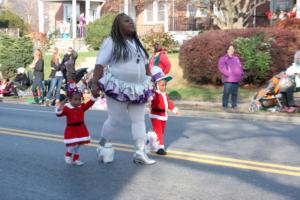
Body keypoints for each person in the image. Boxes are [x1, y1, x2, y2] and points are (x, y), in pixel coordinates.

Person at [91, 13, 156, 165]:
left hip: (139, 88)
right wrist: (95, 83)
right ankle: (103, 144)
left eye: (132, 20)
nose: (131, 23)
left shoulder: (137, 43)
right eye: (127, 21)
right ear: (118, 26)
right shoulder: (112, 42)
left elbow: (146, 64)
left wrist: (151, 80)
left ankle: (140, 152)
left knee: (139, 120)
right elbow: (100, 64)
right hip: (119, 87)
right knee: (115, 120)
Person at [55, 86, 97, 165]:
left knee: (78, 145)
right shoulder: (67, 108)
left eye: (79, 99)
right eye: (75, 99)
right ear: (70, 100)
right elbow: (59, 114)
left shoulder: (81, 107)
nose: (78, 101)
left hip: (80, 128)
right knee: (72, 145)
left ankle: (76, 159)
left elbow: (89, 103)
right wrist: (59, 109)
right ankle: (68, 154)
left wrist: (94, 96)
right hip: (71, 129)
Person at [148, 66, 180, 155]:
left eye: (165, 85)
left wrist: (174, 109)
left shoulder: (164, 94)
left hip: (163, 116)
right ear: (156, 85)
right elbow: (149, 98)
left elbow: (169, 103)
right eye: (162, 85)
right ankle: (160, 148)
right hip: (156, 115)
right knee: (158, 132)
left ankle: (151, 142)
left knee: (160, 132)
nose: (164, 87)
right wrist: (150, 95)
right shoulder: (155, 94)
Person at [218, 45, 244, 112]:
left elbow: (240, 67)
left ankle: (234, 106)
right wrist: (228, 74)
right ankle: (224, 106)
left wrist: (241, 74)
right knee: (226, 93)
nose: (232, 50)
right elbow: (221, 68)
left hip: (236, 79)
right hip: (228, 80)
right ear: (227, 50)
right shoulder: (223, 58)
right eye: (230, 49)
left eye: (233, 49)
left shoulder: (236, 58)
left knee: (234, 94)